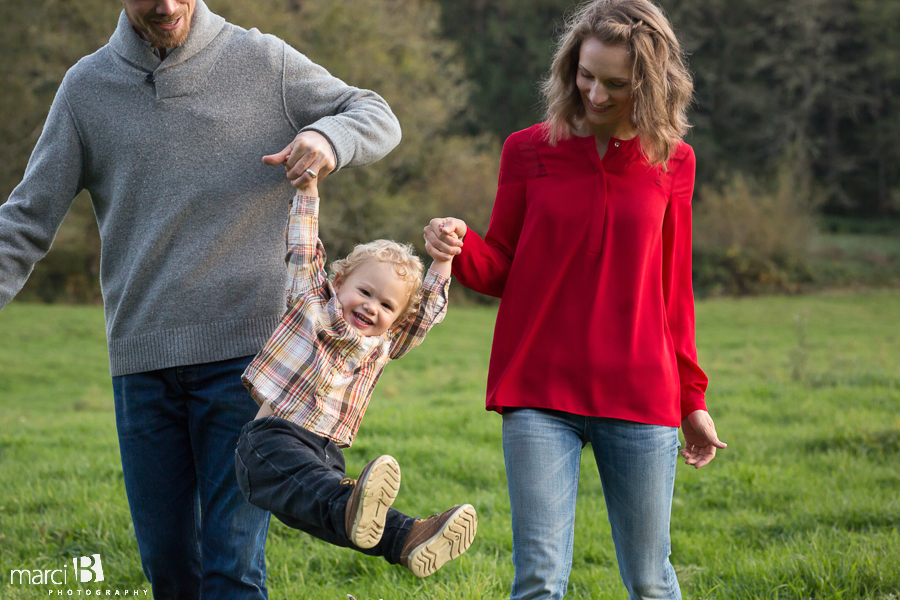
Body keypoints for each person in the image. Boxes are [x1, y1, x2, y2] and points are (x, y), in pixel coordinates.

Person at [0, 0, 402, 597]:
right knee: (169, 566)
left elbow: (377, 114)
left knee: (233, 568)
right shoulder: (86, 89)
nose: (166, 6)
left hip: (247, 365)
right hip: (142, 363)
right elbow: (25, 221)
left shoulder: (264, 61)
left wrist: (328, 134)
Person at [423, 0, 727, 598]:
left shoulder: (675, 161)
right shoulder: (528, 149)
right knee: (538, 578)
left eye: (616, 83)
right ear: (570, 66)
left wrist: (693, 398)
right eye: (586, 75)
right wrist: (455, 246)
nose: (595, 93)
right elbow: (501, 269)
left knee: (649, 579)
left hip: (640, 392)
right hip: (539, 388)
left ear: (651, 85)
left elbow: (674, 292)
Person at [234, 175, 477, 580]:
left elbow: (426, 313)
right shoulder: (312, 303)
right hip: (271, 441)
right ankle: (366, 511)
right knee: (341, 502)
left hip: (326, 453)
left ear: (396, 320)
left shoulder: (384, 345)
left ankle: (410, 537)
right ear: (340, 281)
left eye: (386, 305)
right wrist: (308, 190)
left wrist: (443, 259)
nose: (371, 308)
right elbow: (303, 247)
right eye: (365, 292)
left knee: (346, 518)